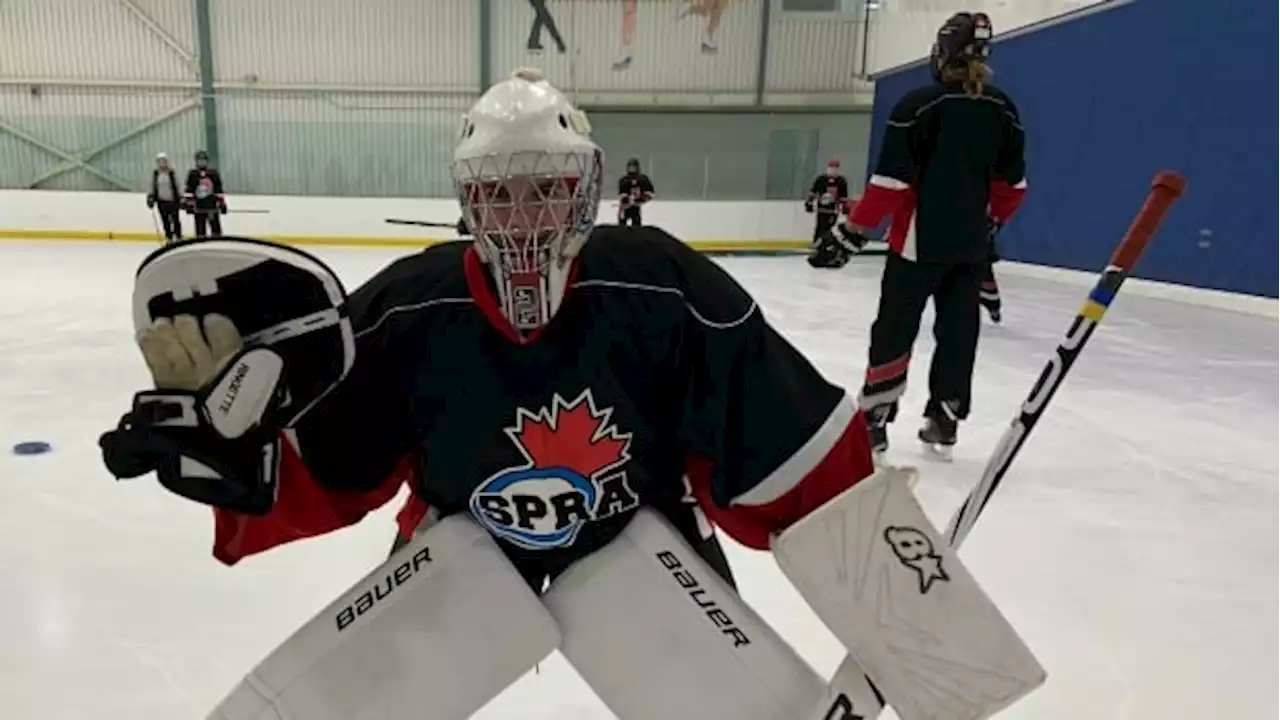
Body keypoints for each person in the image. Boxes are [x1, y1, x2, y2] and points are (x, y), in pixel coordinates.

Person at [100, 66, 875, 604]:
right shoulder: (409, 306)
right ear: (468, 199)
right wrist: (240, 460)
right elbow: (338, 460)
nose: (526, 215)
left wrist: (861, 533)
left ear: (587, 188)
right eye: (500, 193)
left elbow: (771, 430)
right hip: (459, 535)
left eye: (548, 189)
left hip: (644, 533)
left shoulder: (664, 287)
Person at [819, 11, 1026, 456]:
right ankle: (945, 418)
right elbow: (1013, 188)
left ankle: (875, 420)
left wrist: (851, 233)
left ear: (943, 51)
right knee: (958, 333)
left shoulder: (918, 106)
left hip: (917, 246)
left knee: (895, 328)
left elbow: (890, 184)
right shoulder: (1002, 109)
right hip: (969, 250)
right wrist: (987, 222)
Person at [804, 160, 849, 268]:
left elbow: (843, 197)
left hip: (833, 211)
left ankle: (826, 248)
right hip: (821, 210)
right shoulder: (821, 180)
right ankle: (816, 247)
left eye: (835, 169)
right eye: (831, 168)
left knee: (829, 230)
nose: (833, 171)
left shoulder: (841, 181)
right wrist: (809, 203)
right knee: (820, 227)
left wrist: (845, 208)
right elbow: (813, 192)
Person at [183, 149, 226, 238]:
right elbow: (189, 190)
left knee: (216, 229)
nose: (201, 162)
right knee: (200, 231)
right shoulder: (193, 174)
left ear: (207, 161)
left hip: (212, 207)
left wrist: (221, 203)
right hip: (199, 207)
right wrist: (188, 203)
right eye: (199, 160)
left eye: (203, 160)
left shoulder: (213, 174)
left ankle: (217, 243)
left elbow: (218, 190)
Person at [145, 152, 182, 243]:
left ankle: (178, 236)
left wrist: (181, 196)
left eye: (164, 161)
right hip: (161, 201)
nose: (162, 164)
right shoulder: (155, 174)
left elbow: (178, 185)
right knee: (165, 221)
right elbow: (152, 185)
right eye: (160, 162)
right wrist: (150, 197)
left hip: (173, 200)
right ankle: (169, 237)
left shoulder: (172, 173)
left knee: (175, 219)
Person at [616, 157, 654, 227]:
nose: (632, 169)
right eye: (630, 167)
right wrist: (626, 199)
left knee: (636, 226)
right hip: (625, 208)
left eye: (633, 167)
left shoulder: (643, 179)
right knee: (621, 227)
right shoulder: (624, 180)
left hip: (636, 207)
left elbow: (650, 192)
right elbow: (621, 193)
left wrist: (643, 198)